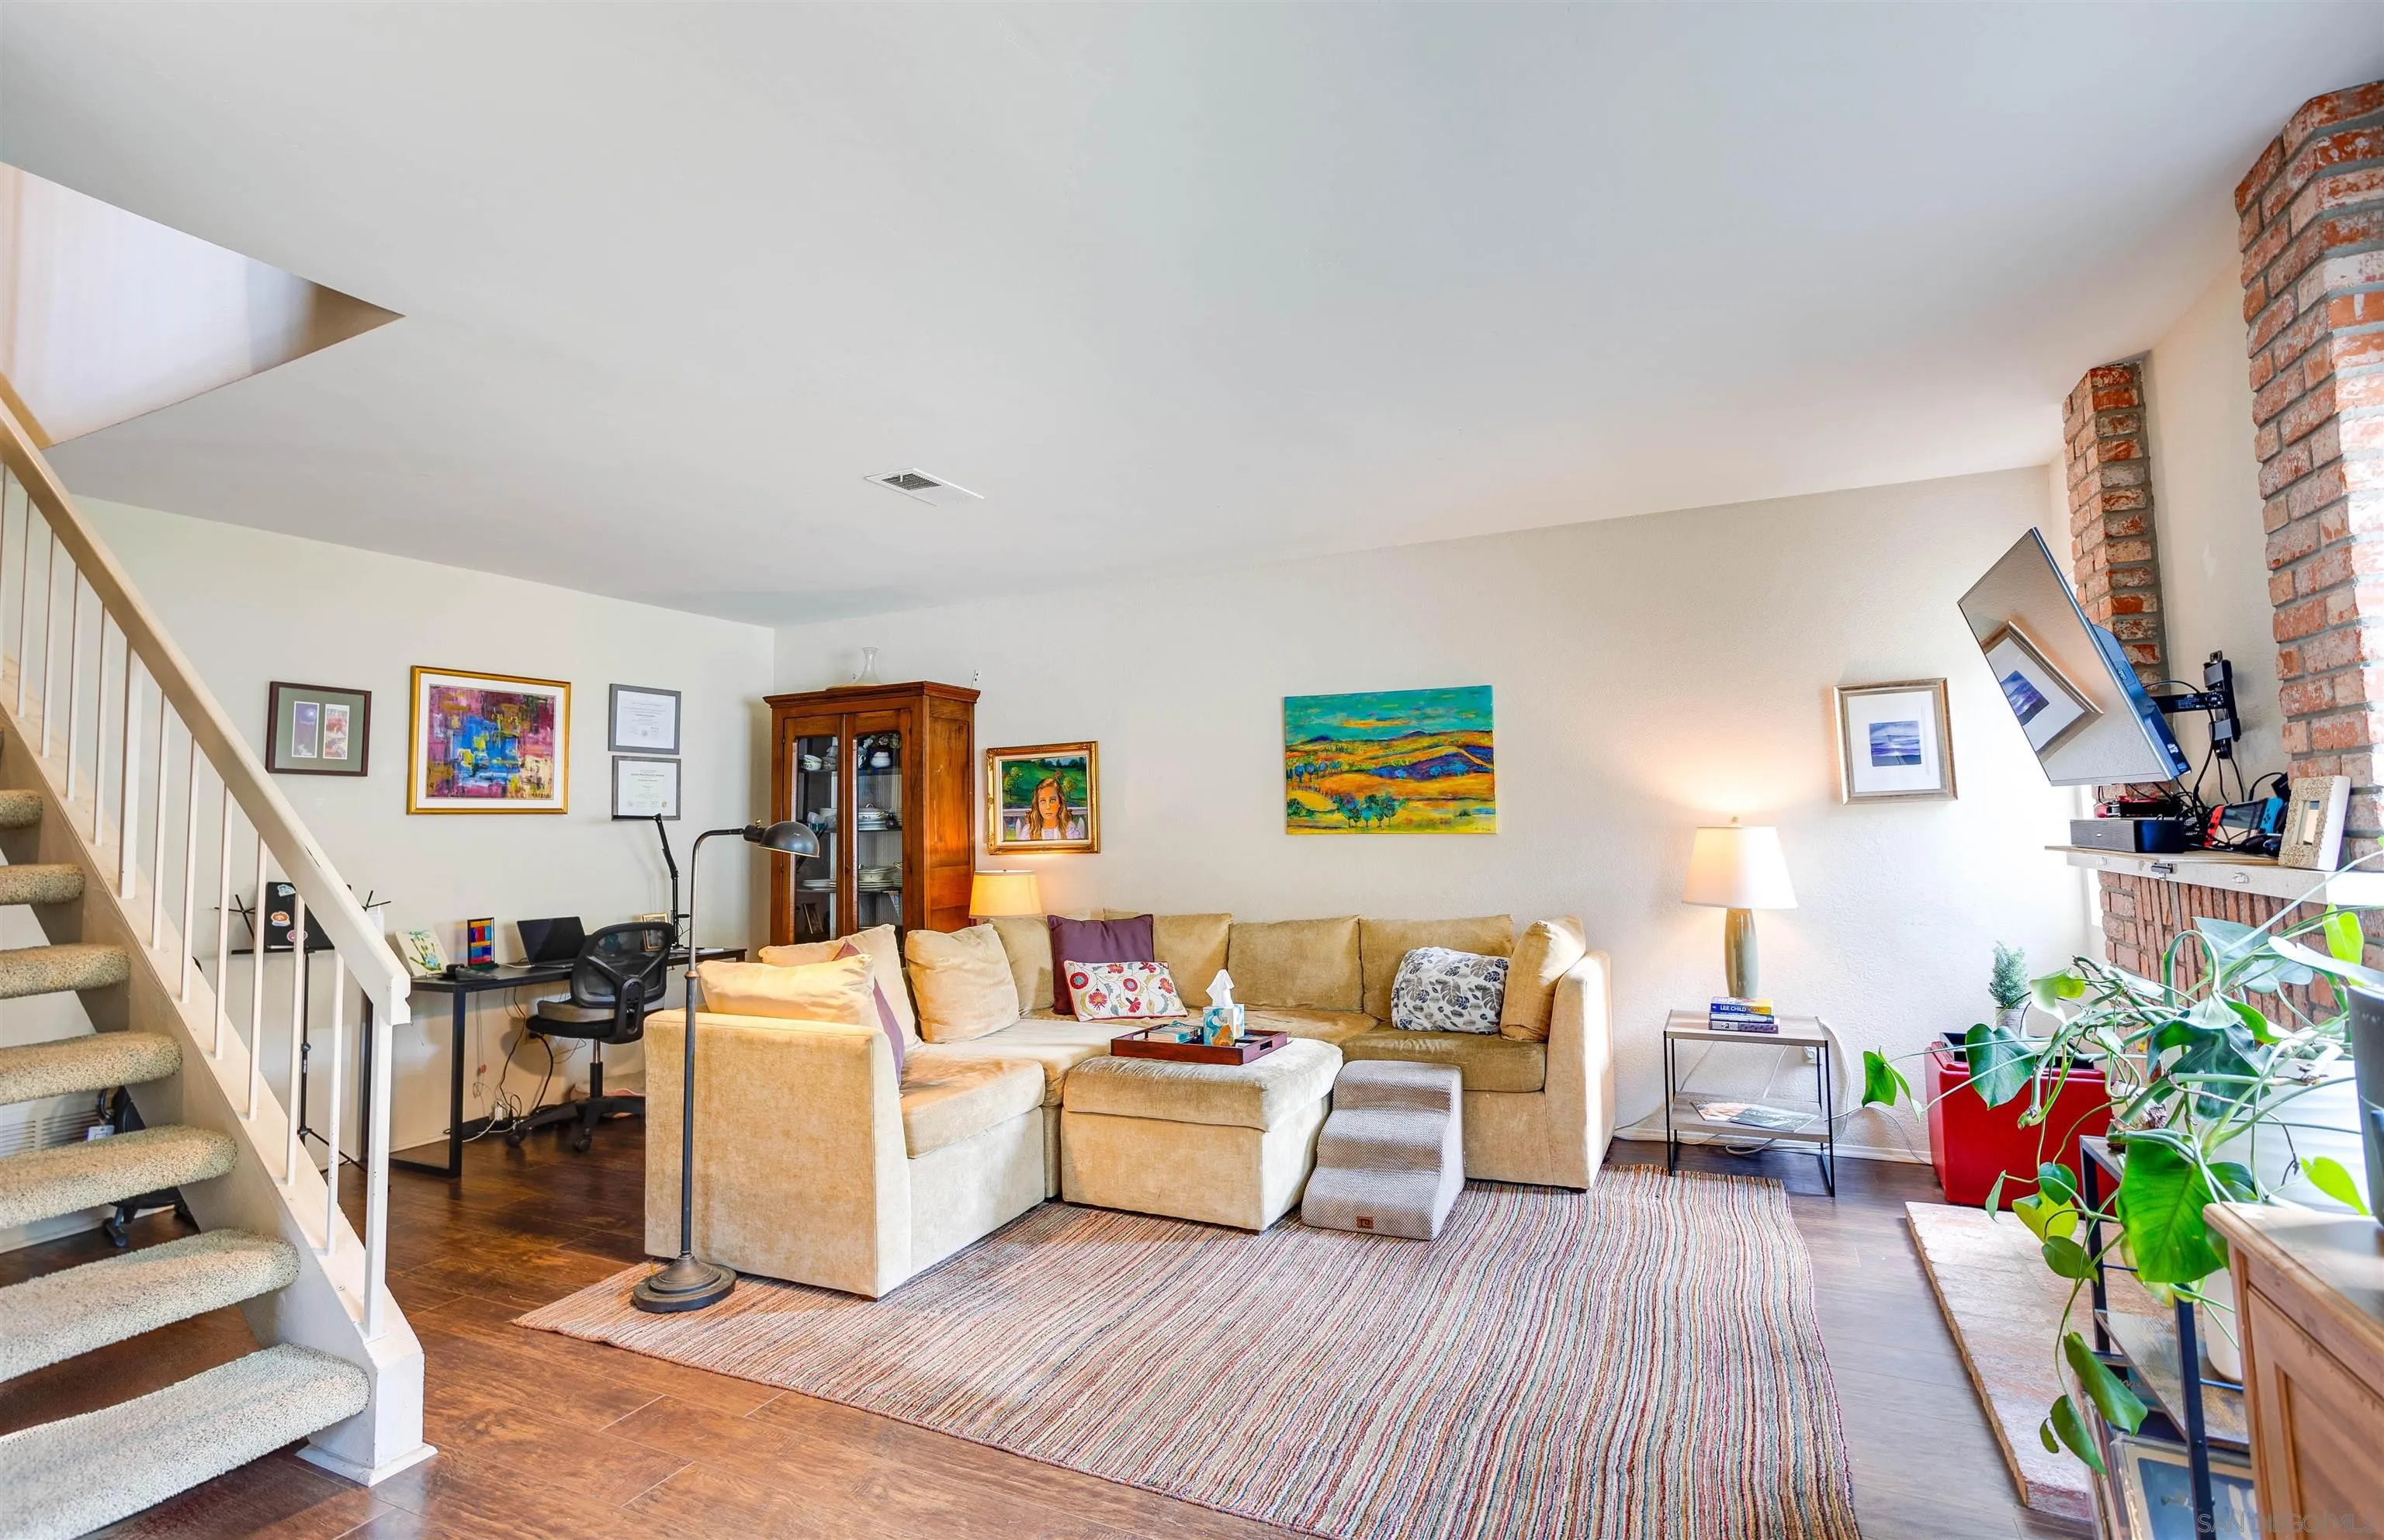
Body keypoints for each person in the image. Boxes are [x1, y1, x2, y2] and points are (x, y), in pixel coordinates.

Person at [1020, 773, 1086, 841]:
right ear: (1037, 805)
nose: (1048, 807)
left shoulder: (1070, 829)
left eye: (1052, 800)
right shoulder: (1028, 832)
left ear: (1060, 803)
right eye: (1043, 801)